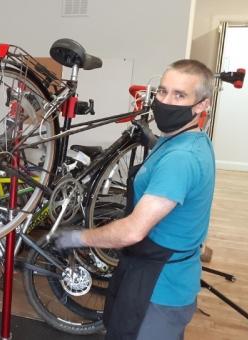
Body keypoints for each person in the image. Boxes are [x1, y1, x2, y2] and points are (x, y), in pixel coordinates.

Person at [53, 59, 216, 340]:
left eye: (179, 95)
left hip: (158, 289)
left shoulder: (180, 159)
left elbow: (133, 230)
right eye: (162, 92)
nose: (165, 101)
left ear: (202, 105)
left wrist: (75, 238)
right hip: (154, 273)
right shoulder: (187, 140)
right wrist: (151, 141)